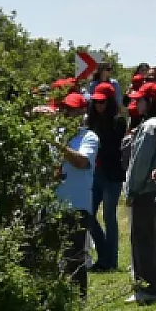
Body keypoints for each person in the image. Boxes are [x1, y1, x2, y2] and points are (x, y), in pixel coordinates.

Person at [126, 81, 156, 303]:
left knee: (143, 239)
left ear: (150, 101)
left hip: (146, 190)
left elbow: (140, 163)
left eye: (140, 100)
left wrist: (132, 189)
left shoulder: (149, 126)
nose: (136, 103)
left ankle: (146, 289)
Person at [54, 91, 99, 295]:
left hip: (77, 205)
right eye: (65, 109)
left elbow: (82, 162)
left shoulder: (88, 137)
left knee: (75, 258)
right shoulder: (58, 134)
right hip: (55, 204)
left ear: (82, 112)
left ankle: (79, 302)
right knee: (55, 256)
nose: (67, 114)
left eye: (72, 110)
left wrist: (59, 146)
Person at [88, 86, 127, 272]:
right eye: (95, 101)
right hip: (96, 172)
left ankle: (110, 260)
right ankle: (104, 253)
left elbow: (113, 147)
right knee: (88, 213)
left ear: (110, 101)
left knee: (109, 216)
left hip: (112, 173)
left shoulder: (118, 121)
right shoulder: (92, 120)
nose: (98, 105)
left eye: (102, 101)